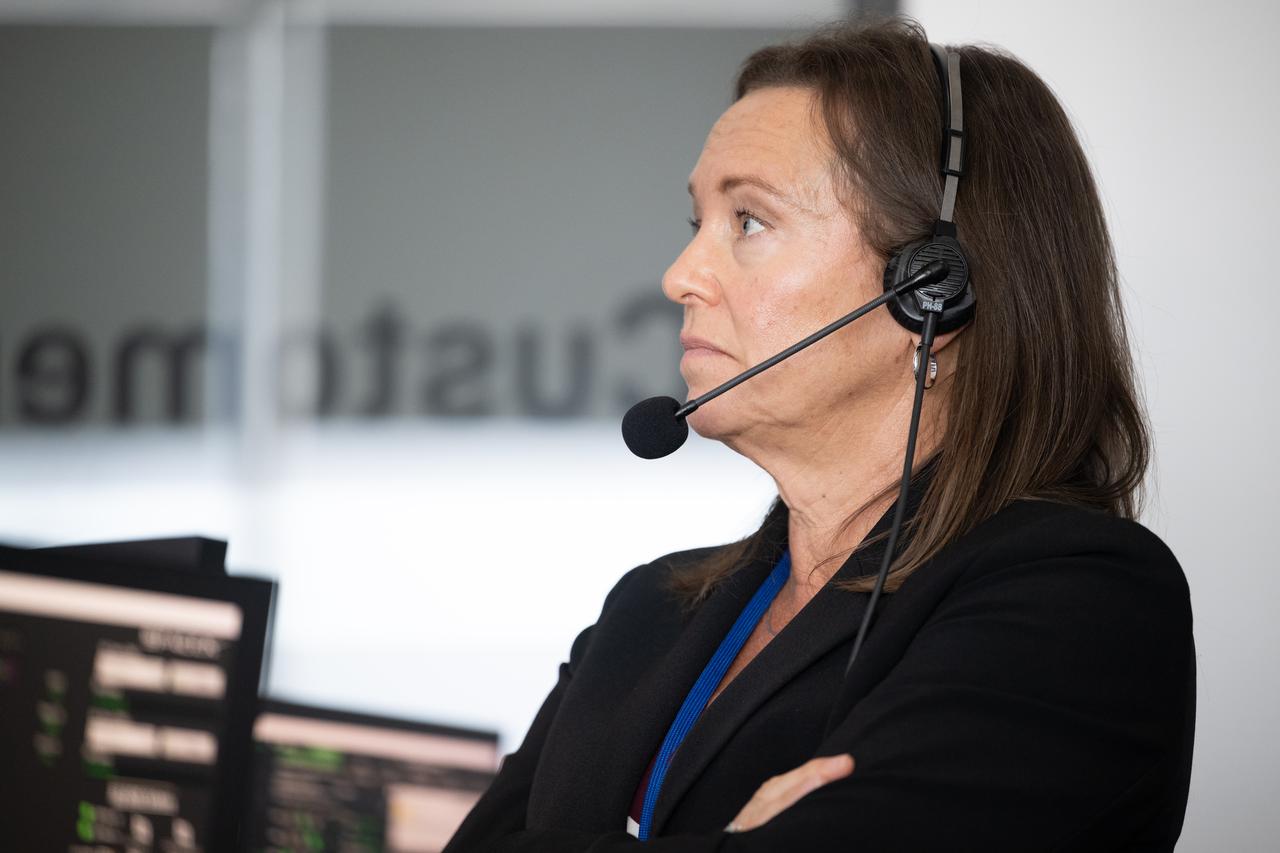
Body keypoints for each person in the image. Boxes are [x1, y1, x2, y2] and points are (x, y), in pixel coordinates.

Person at [443, 17, 1195, 853]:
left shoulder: (1080, 605)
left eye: (750, 222)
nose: (681, 276)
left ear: (930, 287)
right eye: (696, 223)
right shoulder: (647, 612)